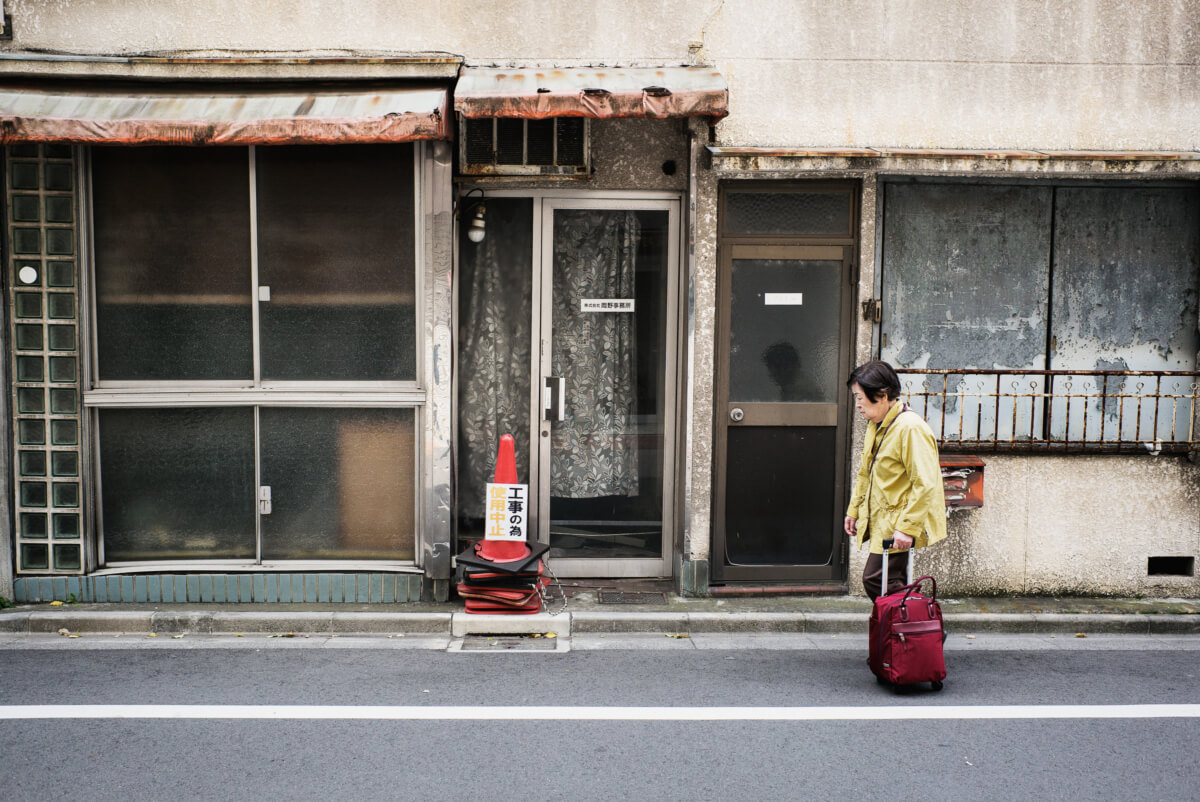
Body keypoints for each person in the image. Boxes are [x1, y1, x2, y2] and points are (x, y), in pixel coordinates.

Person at [843, 360, 946, 600]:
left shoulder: (910, 428)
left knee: (877, 579)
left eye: (860, 397)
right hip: (886, 519)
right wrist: (854, 510)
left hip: (899, 521)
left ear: (882, 394)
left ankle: (919, 627)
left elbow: (926, 483)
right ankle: (909, 632)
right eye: (855, 398)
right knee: (890, 582)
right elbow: (865, 472)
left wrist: (907, 529)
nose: (857, 404)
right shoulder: (877, 424)